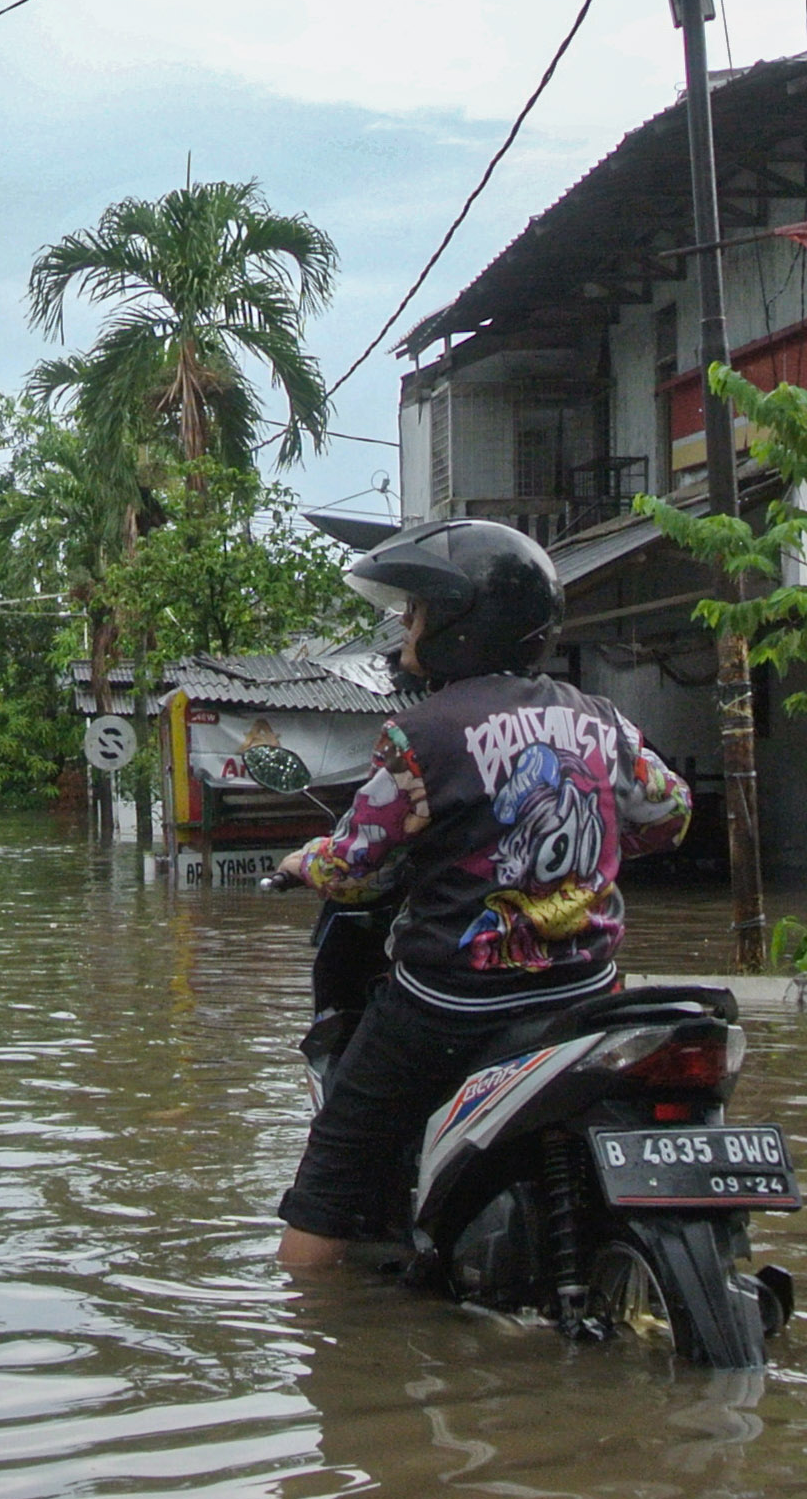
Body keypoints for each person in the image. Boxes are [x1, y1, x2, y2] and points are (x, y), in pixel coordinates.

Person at [271, 517, 693, 1273]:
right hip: (586, 990)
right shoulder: (601, 720)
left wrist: (306, 862)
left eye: (417, 611)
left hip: (455, 1004)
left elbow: (359, 864)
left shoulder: (422, 735)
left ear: (461, 624)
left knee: (335, 1162)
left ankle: (312, 1325)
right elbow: (670, 814)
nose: (405, 625)